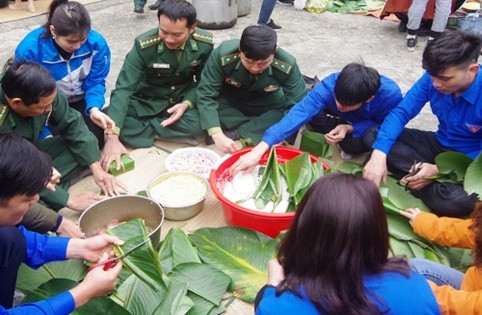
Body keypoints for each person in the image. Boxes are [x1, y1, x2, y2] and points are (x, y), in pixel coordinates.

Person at [0, 126, 123, 313]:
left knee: (10, 238)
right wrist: (84, 292)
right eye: (27, 198)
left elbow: (24, 240)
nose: (36, 200)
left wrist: (81, 247)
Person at [0, 32, 83, 237]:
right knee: (11, 239)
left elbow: (72, 122)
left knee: (88, 137)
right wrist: (59, 221)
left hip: (25, 159)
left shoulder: (36, 86)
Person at [254, 173, 440, 314]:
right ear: (378, 231)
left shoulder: (278, 308)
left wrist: (272, 288)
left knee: (262, 296)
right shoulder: (415, 287)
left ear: (304, 232)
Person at [0, 59, 127, 214]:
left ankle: (51, 189)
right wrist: (68, 201)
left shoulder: (38, 88)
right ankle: (50, 194)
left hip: (32, 150)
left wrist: (97, 169)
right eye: (43, 107)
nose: (50, 108)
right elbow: (9, 170)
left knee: (85, 143)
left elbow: (72, 124)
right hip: (4, 171)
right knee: (19, 205)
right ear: (17, 103)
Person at [363, 30, 482, 218]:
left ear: (472, 70)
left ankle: (417, 178)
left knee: (461, 202)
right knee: (374, 135)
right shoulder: (433, 78)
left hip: (470, 160)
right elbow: (402, 112)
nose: (435, 84)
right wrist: (379, 155)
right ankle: (422, 180)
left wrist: (439, 170)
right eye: (431, 76)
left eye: (444, 79)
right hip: (438, 144)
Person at [230, 63, 403, 173]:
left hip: (363, 123)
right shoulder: (331, 84)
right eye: (337, 100)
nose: (340, 105)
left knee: (360, 142)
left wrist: (350, 128)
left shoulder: (390, 95)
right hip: (335, 114)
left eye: (347, 104)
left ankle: (341, 126)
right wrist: (261, 148)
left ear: (368, 99)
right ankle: (337, 123)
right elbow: (300, 112)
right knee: (309, 112)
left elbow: (385, 126)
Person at [101, 0, 214, 169]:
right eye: (164, 31)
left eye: (176, 35)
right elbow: (124, 89)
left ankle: (146, 132)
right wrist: (112, 138)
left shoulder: (204, 44)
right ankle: (162, 134)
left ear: (192, 28)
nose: (169, 39)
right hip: (146, 101)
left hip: (180, 101)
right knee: (107, 118)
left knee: (209, 117)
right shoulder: (144, 45)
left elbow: (205, 82)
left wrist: (186, 103)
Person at [15, 0, 113, 148]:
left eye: (83, 39)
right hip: (47, 105)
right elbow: (30, 97)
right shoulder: (30, 50)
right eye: (71, 41)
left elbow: (96, 81)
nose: (78, 46)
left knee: (93, 143)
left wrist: (94, 108)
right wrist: (43, 131)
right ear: (53, 31)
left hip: (82, 100)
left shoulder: (96, 44)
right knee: (51, 146)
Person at [197, 25, 307, 154]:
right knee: (203, 109)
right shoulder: (223, 54)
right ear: (240, 50)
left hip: (266, 104)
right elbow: (206, 93)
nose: (255, 68)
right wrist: (216, 133)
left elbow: (298, 104)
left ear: (275, 49)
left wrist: (279, 135)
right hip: (230, 102)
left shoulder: (287, 64)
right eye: (248, 61)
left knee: (291, 112)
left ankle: (238, 132)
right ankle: (257, 129)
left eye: (263, 63)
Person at [400, 204, 482, 313]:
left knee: (414, 287)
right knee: (418, 267)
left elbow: (469, 306)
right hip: (472, 287)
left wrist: (429, 292)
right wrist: (423, 222)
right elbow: (464, 231)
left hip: (469, 306)